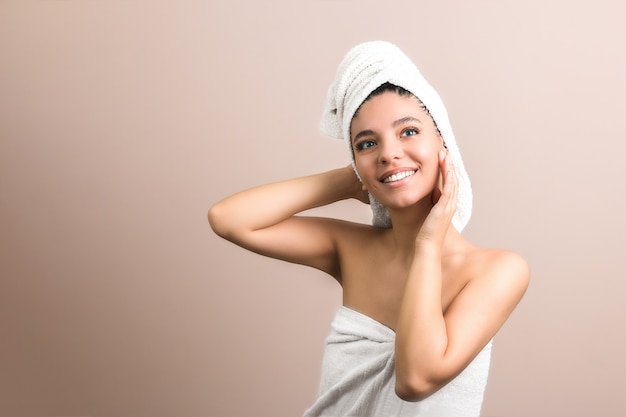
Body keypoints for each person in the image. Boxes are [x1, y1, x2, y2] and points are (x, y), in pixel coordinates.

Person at [208, 41, 529, 417]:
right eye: (367, 143)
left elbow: (415, 380)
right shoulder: (352, 248)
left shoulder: (498, 271)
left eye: (408, 132)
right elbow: (227, 218)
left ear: (443, 141)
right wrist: (349, 180)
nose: (388, 153)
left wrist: (427, 245)